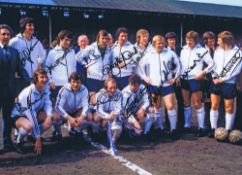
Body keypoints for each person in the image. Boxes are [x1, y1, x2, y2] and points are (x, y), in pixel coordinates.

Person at [139, 35, 181, 139]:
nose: (161, 45)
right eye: (158, 44)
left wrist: (175, 78)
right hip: (154, 85)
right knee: (156, 107)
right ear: (153, 44)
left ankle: (173, 130)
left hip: (167, 85)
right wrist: (145, 78)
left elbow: (179, 65)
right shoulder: (149, 54)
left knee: (170, 106)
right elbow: (139, 67)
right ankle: (155, 129)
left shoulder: (170, 53)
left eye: (162, 43)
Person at [0, 24, 29, 151]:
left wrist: (32, 81)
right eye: (3, 34)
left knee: (7, 118)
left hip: (9, 91)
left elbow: (21, 71)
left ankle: (7, 143)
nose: (6, 36)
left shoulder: (14, 52)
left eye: (8, 34)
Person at [180, 31, 215, 137]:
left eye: (191, 40)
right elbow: (180, 64)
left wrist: (202, 73)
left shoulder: (202, 50)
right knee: (186, 103)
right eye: (187, 39)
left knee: (197, 103)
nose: (189, 42)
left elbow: (212, 64)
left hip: (195, 80)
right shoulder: (183, 50)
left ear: (195, 40)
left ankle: (201, 127)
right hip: (184, 80)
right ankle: (187, 126)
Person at [44, 29, 76, 138]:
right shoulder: (52, 53)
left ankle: (72, 129)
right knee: (57, 112)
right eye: (66, 40)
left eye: (69, 40)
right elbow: (46, 69)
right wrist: (50, 80)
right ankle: (57, 132)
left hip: (70, 86)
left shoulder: (72, 52)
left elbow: (74, 68)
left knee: (71, 108)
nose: (68, 42)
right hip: (57, 86)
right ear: (60, 40)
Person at [11, 69, 52, 155]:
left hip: (32, 113)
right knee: (30, 125)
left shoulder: (45, 88)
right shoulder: (28, 93)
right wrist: (38, 138)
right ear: (35, 79)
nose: (45, 79)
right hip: (18, 115)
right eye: (42, 77)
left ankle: (31, 136)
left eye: (46, 77)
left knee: (49, 119)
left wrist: (49, 116)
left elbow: (48, 103)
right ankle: (18, 142)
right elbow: (31, 116)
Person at [209, 31, 242, 137]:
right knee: (214, 105)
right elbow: (213, 66)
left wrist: (222, 79)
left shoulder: (237, 53)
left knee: (229, 107)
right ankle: (213, 129)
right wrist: (214, 77)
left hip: (229, 83)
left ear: (225, 41)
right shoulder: (218, 51)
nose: (217, 42)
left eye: (219, 40)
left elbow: (236, 71)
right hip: (216, 82)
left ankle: (228, 131)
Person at [76, 30, 113, 105]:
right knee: (93, 101)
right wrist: (86, 65)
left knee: (103, 100)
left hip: (104, 78)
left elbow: (111, 62)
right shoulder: (91, 47)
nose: (104, 40)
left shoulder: (109, 49)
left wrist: (109, 71)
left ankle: (99, 115)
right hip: (92, 78)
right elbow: (78, 57)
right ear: (98, 38)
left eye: (106, 38)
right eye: (103, 38)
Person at [9, 16, 45, 89]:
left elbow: (43, 55)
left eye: (33, 25)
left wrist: (39, 63)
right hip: (19, 78)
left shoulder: (37, 42)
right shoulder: (15, 41)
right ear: (23, 26)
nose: (32, 27)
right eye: (29, 25)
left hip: (33, 78)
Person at [54, 72, 89, 138]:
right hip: (65, 111)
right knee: (55, 117)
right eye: (73, 82)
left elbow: (86, 106)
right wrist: (69, 118)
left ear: (81, 82)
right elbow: (58, 107)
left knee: (89, 115)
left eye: (78, 82)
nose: (75, 84)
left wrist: (82, 117)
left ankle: (75, 129)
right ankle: (57, 132)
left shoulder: (84, 89)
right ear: (69, 82)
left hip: (76, 111)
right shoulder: (64, 90)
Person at [164, 32, 184, 132]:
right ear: (167, 41)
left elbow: (181, 65)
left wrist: (178, 77)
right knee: (169, 102)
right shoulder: (164, 52)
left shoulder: (180, 50)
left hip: (178, 79)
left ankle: (181, 123)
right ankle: (168, 124)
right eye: (170, 39)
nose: (173, 41)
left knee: (181, 100)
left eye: (174, 39)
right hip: (168, 79)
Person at [96, 78, 123, 150]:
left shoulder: (119, 93)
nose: (113, 90)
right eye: (110, 88)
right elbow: (99, 110)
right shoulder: (100, 94)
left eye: (114, 88)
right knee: (96, 118)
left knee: (119, 120)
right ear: (105, 88)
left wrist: (114, 114)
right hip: (102, 113)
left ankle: (113, 140)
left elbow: (119, 107)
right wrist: (107, 116)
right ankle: (96, 133)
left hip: (112, 113)